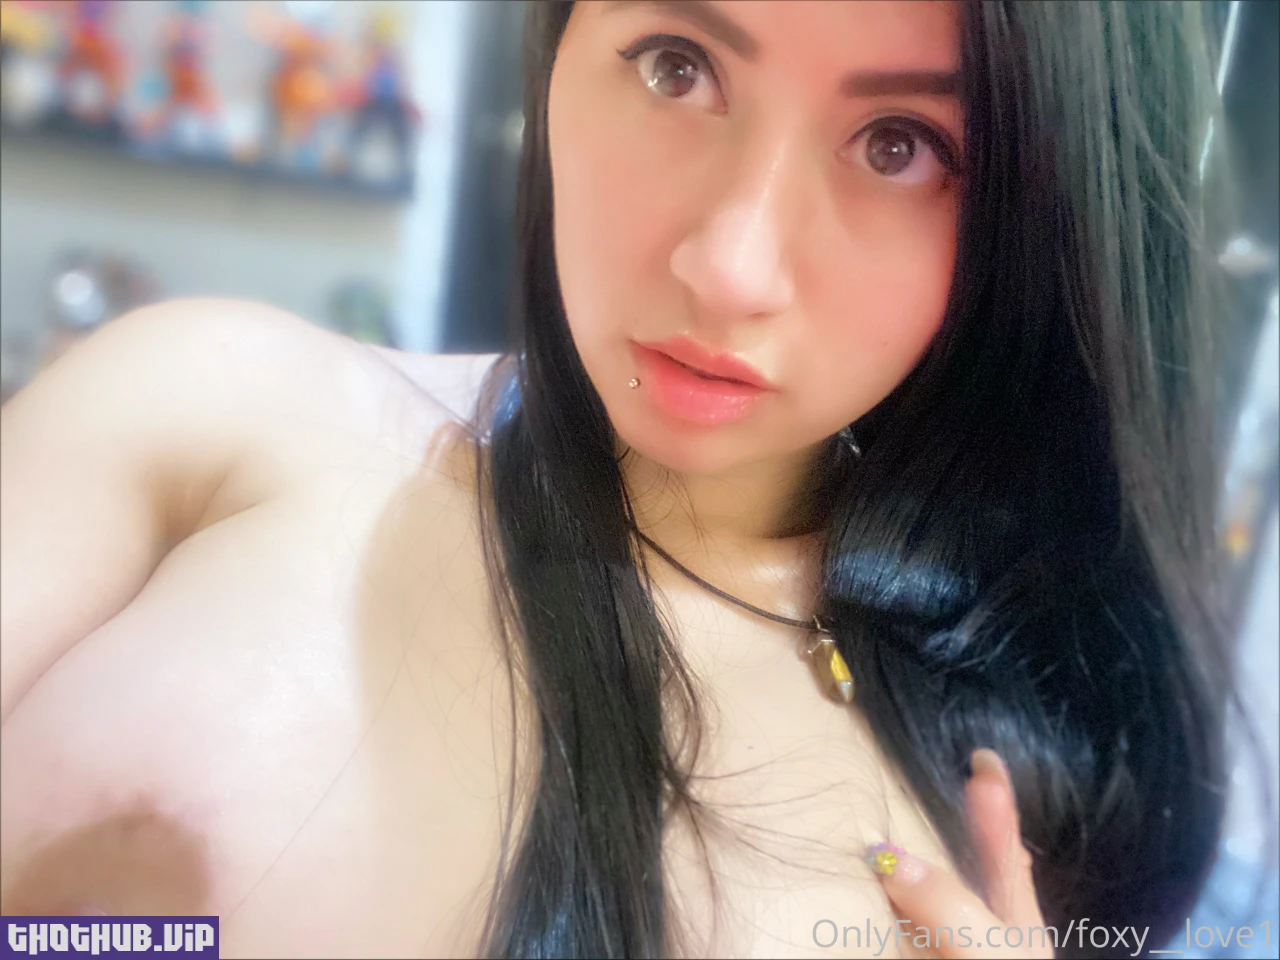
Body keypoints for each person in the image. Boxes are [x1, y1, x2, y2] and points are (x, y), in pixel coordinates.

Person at [0, 1, 1245, 956]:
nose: (728, 267)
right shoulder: (199, 416)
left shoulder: (1019, 777)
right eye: (675, 66)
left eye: (898, 145)